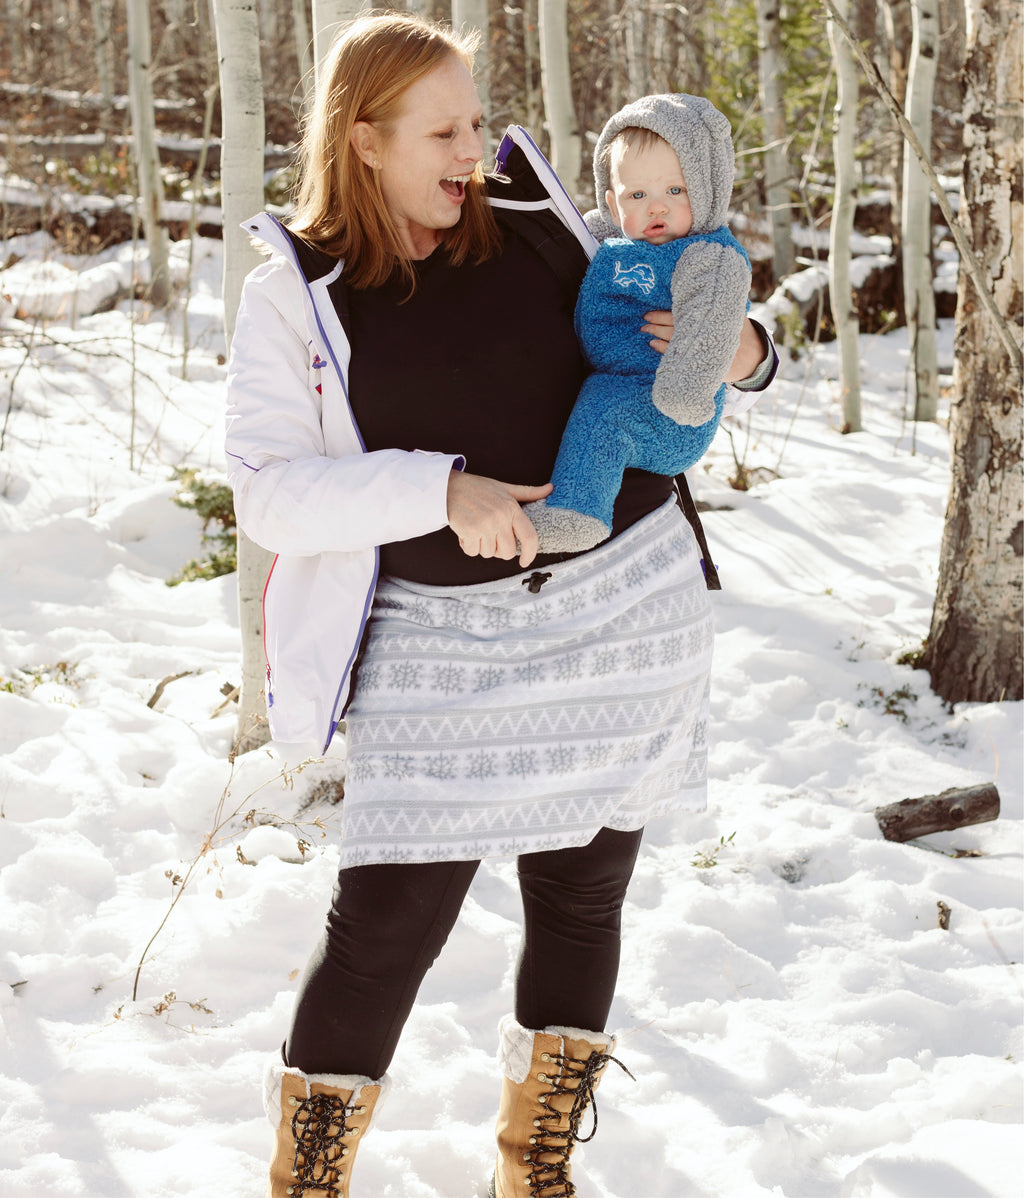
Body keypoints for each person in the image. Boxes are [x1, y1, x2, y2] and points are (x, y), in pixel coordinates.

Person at [223, 13, 777, 1198]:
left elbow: (678, 317)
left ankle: (536, 1169)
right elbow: (269, 495)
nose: (475, 150)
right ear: (363, 139)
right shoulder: (296, 291)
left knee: (581, 897)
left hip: (620, 606)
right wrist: (442, 490)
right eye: (444, 130)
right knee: (385, 920)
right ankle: (307, 1178)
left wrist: (746, 352)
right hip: (440, 635)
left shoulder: (534, 218)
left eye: (478, 119)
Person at [525, 94, 753, 553]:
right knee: (600, 406)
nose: (657, 208)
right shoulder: (611, 238)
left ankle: (578, 514)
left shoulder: (707, 258)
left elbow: (711, 327)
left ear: (706, 188)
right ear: (612, 201)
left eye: (676, 190)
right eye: (637, 195)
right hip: (621, 382)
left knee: (606, 414)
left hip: (670, 409)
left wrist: (684, 394)